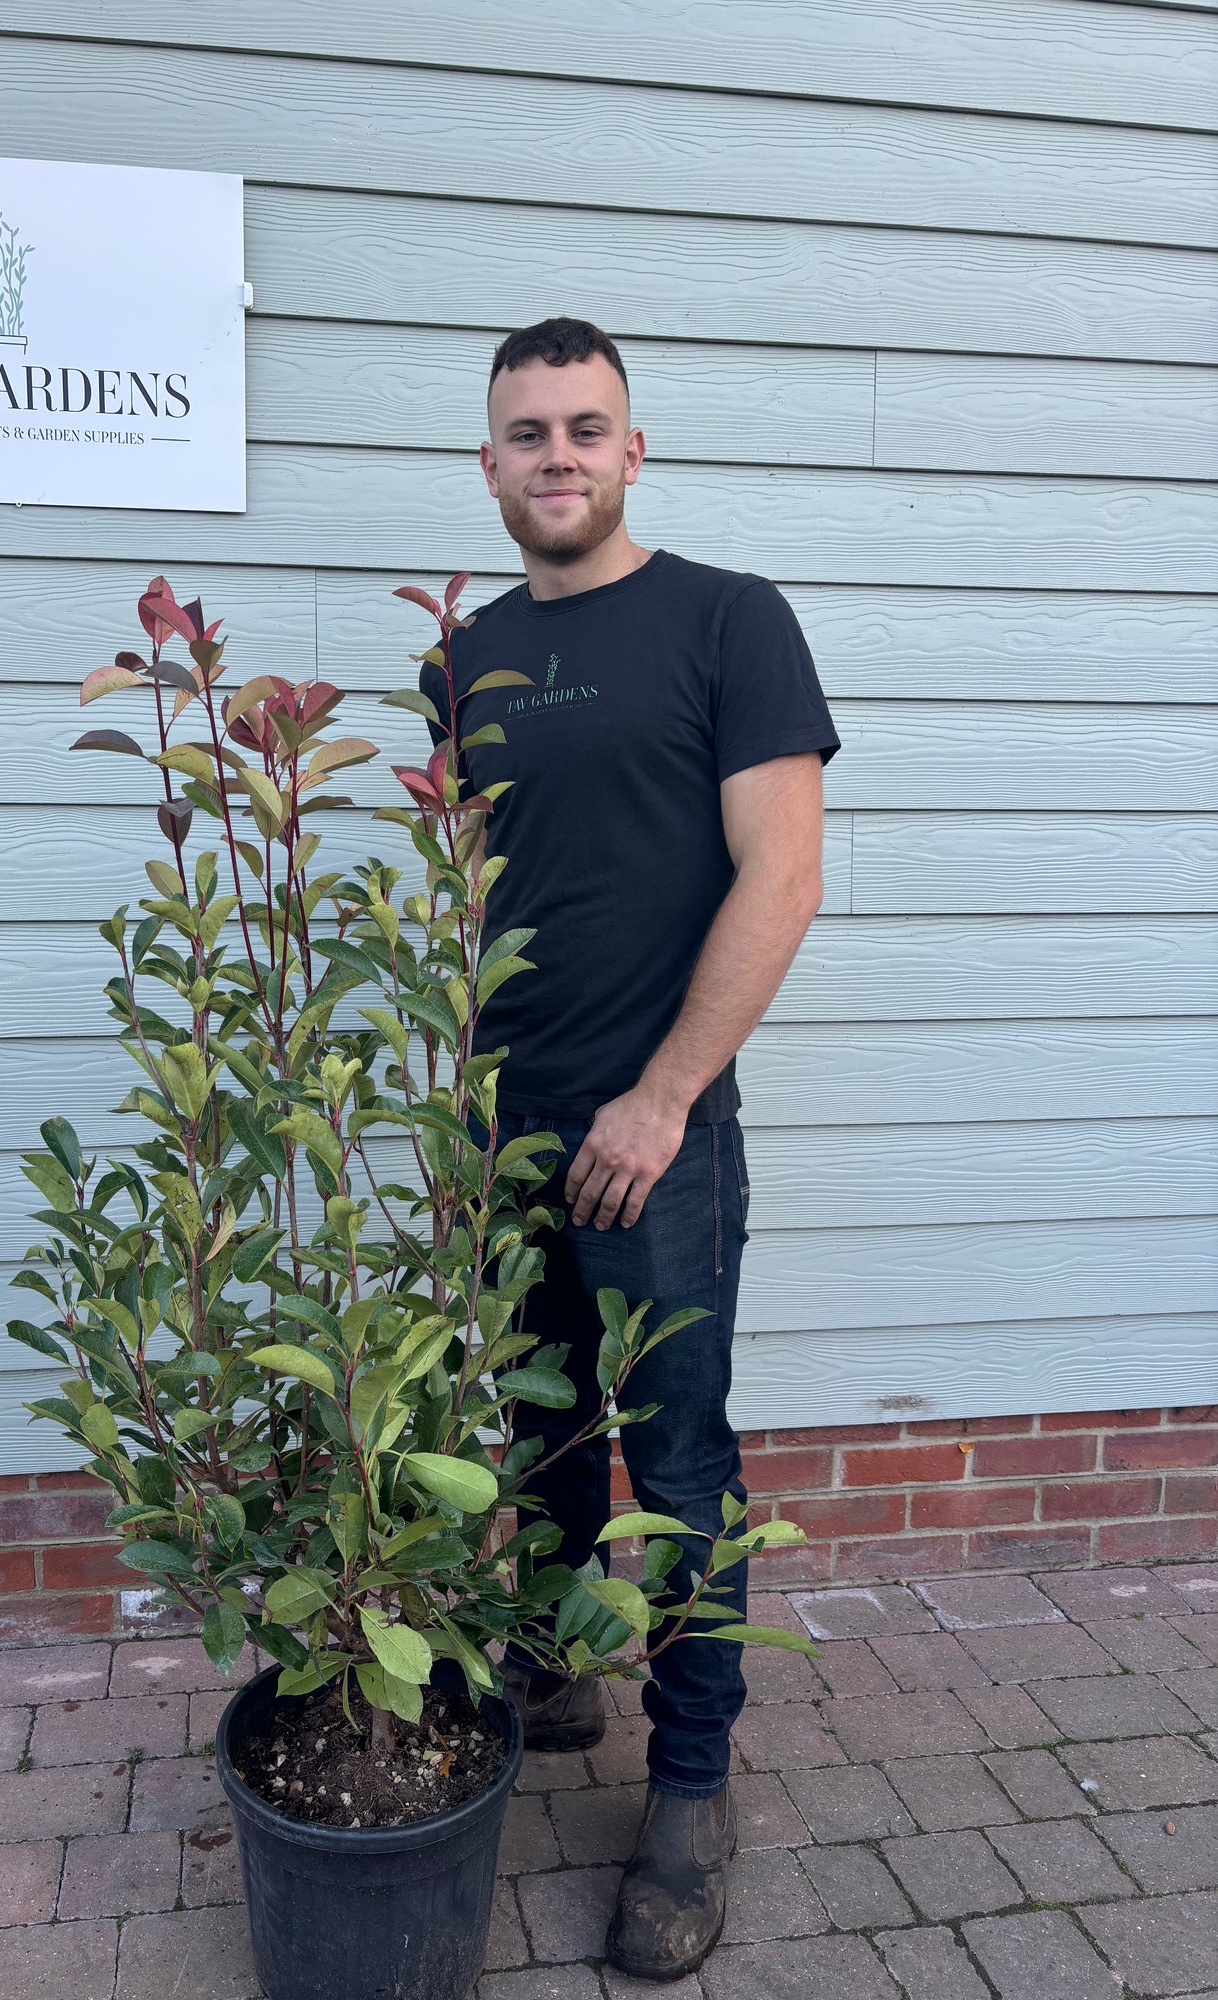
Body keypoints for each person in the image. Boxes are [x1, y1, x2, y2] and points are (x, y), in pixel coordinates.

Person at [419, 317, 841, 1981]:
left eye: (586, 428)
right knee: (538, 1430)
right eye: (528, 433)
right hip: (504, 1131)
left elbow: (784, 877)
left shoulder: (731, 620)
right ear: (490, 465)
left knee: (676, 1469)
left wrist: (662, 1097)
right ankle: (553, 1670)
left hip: (661, 1136)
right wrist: (458, 1117)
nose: (559, 457)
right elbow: (470, 902)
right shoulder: (462, 658)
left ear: (633, 450)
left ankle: (691, 1789)